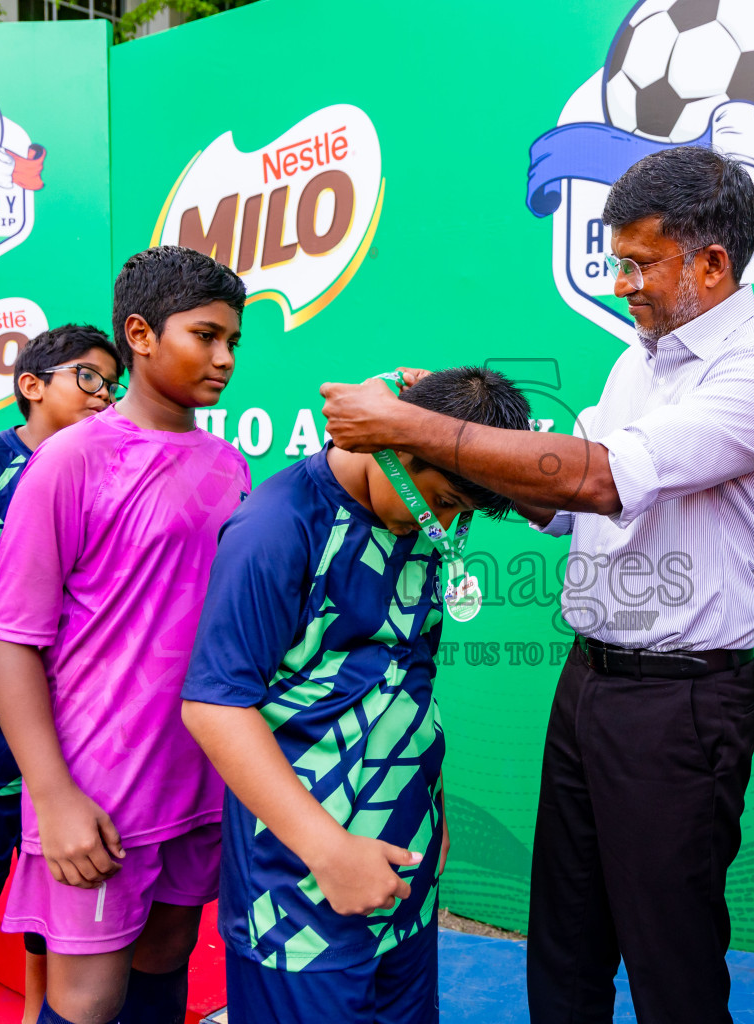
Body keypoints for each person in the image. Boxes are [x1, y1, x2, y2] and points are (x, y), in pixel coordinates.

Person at [322, 146, 754, 1024]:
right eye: (615, 262)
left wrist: (419, 426)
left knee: (673, 964)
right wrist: (446, 422)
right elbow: (561, 501)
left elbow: (599, 478)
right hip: (588, 684)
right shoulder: (640, 362)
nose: (622, 284)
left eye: (637, 263)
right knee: (563, 945)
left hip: (681, 706)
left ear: (711, 261)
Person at [183, 366, 533, 1023]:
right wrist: (330, 851)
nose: (450, 526)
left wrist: (434, 804)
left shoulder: (420, 522)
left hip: (403, 877)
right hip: (299, 896)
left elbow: (410, 671)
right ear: (396, 452)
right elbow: (213, 705)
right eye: (445, 502)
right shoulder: (276, 528)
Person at [0, 247, 250, 1024]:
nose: (224, 358)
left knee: (166, 966)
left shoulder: (229, 463)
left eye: (234, 341)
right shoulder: (72, 459)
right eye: (206, 336)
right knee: (86, 1003)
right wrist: (54, 795)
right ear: (140, 333)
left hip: (200, 779)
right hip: (98, 789)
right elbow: (8, 640)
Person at [0, 324, 125, 1024]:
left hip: (64, 752)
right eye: (89, 379)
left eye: (114, 384)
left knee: (55, 923)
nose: (106, 396)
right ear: (32, 386)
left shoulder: (107, 471)